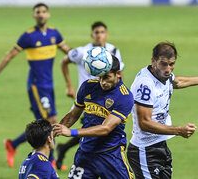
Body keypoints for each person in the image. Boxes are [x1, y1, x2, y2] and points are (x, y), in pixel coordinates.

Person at [0, 3, 70, 168]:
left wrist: (88, 58)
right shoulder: (28, 36)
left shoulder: (54, 34)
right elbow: (9, 56)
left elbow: (70, 52)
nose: (41, 15)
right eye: (37, 12)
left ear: (48, 14)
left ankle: (13, 145)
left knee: (45, 123)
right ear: (34, 16)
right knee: (50, 121)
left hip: (48, 85)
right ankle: (51, 160)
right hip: (37, 85)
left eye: (43, 12)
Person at [56, 21, 125, 169]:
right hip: (89, 97)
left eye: (102, 32)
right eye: (96, 32)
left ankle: (64, 148)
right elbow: (64, 61)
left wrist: (120, 93)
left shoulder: (114, 50)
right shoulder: (82, 52)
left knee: (97, 129)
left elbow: (119, 74)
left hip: (110, 97)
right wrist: (69, 85)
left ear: (106, 34)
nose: (99, 35)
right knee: (94, 128)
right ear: (92, 35)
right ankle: (66, 149)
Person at [54, 56, 134, 179]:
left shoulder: (124, 97)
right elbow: (72, 115)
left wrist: (71, 132)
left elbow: (105, 128)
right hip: (85, 154)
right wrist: (53, 132)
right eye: (100, 77)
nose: (103, 82)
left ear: (118, 74)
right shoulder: (88, 87)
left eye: (107, 77)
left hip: (110, 155)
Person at [127, 41, 197, 179]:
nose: (168, 69)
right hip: (144, 150)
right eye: (163, 63)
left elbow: (178, 82)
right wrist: (179, 130)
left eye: (171, 64)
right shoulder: (145, 85)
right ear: (153, 61)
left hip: (160, 146)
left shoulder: (163, 74)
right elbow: (144, 123)